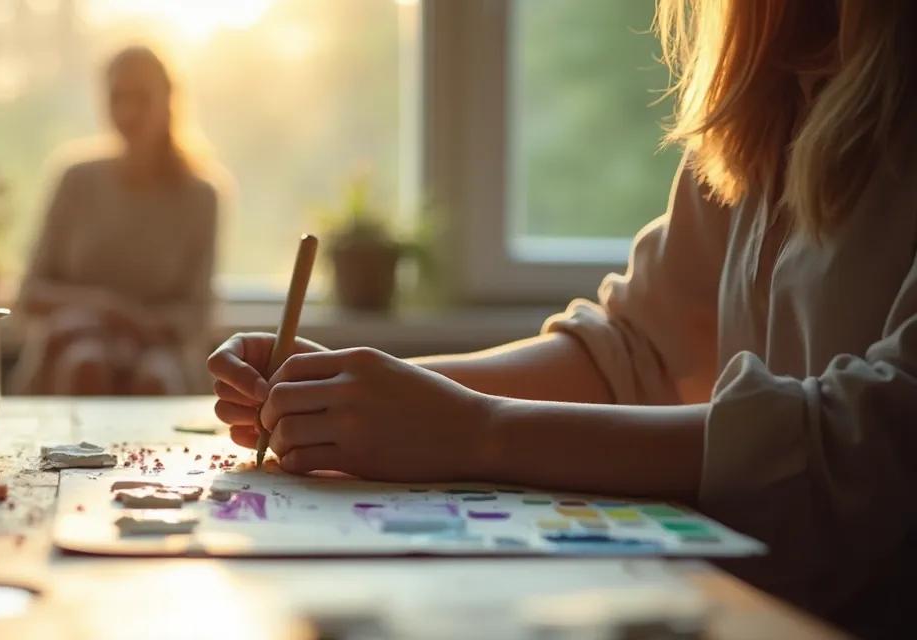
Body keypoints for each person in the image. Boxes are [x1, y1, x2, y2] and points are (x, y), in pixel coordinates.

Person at [206, 0, 914, 634]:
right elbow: (632, 349)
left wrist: (478, 432)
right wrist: (352, 392)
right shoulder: (769, 90)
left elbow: (876, 436)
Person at [13, 45, 220, 396]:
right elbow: (29, 295)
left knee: (154, 379)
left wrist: (135, 331)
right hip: (74, 342)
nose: (127, 112)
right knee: (86, 364)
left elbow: (197, 314)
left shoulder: (201, 196)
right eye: (117, 98)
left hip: (159, 352)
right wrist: (104, 311)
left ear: (169, 100)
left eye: (141, 98)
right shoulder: (76, 180)